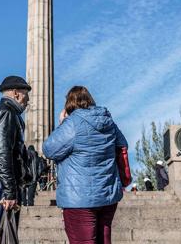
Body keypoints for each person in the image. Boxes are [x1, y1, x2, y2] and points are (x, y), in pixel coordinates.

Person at [43, 86, 128, 244]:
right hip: (107, 195)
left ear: (69, 104)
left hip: (79, 198)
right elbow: (122, 145)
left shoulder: (73, 123)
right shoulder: (109, 121)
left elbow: (49, 150)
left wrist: (63, 123)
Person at [0, 76, 31, 244]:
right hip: (1, 184)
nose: (28, 101)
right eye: (26, 95)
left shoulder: (0, 112)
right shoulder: (6, 113)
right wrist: (10, 191)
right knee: (0, 236)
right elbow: (3, 153)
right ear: (16, 93)